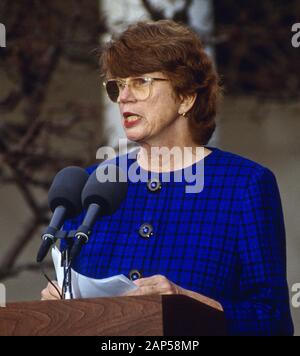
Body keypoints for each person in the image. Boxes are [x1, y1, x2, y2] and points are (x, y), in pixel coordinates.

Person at [41, 20, 294, 336]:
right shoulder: (94, 183)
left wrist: (187, 303)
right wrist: (59, 304)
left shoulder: (244, 185)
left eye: (141, 82)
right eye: (117, 85)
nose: (123, 97)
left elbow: (273, 320)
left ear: (187, 96)